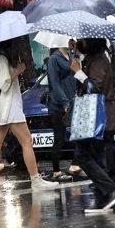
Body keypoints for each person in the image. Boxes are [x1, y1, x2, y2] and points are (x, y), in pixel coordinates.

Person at [0, 39, 58, 196]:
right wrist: (18, 71)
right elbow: (4, 83)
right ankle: (35, 180)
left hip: (8, 109)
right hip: (9, 110)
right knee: (27, 141)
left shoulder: (2, 59)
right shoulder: (0, 59)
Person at [69, 39, 115, 212]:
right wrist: (76, 55)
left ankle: (111, 189)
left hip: (98, 116)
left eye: (82, 40)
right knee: (94, 155)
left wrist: (78, 72)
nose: (80, 41)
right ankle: (104, 196)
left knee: (83, 155)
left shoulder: (99, 60)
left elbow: (95, 87)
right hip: (91, 116)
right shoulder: (92, 59)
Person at [46, 43, 86, 182]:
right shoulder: (54, 59)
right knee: (59, 138)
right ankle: (56, 171)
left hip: (72, 100)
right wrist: (64, 102)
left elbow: (77, 78)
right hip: (58, 104)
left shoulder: (71, 57)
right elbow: (54, 83)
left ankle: (75, 166)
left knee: (79, 134)